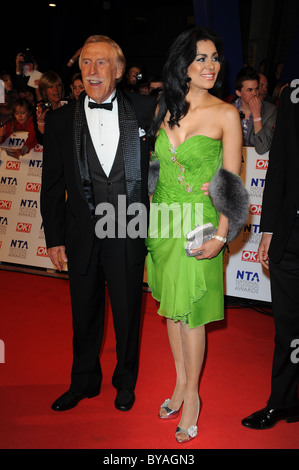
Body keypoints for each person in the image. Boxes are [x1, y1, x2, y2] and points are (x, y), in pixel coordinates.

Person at [40, 35, 154, 413]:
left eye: (101, 63)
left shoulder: (145, 108)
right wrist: (54, 238)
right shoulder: (58, 121)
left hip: (128, 226)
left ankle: (125, 381)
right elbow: (52, 184)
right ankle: (84, 382)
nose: (91, 71)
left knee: (126, 312)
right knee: (83, 313)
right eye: (86, 63)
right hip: (81, 231)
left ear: (119, 70)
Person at [146, 27, 244, 443]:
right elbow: (154, 167)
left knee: (191, 315)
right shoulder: (163, 107)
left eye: (215, 57)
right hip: (163, 222)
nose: (211, 65)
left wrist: (222, 236)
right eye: (202, 58)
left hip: (201, 221)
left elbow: (233, 178)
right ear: (182, 64)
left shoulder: (226, 113)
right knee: (171, 309)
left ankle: (192, 399)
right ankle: (179, 384)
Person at [242, 85, 299, 430]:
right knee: (288, 328)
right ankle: (283, 403)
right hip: (291, 235)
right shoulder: (293, 94)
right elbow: (279, 163)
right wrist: (270, 229)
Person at [233, 66, 277, 154]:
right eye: (249, 90)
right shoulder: (229, 110)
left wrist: (257, 116)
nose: (254, 93)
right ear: (238, 92)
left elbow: (262, 149)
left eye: (256, 89)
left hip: (258, 163)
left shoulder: (270, 111)